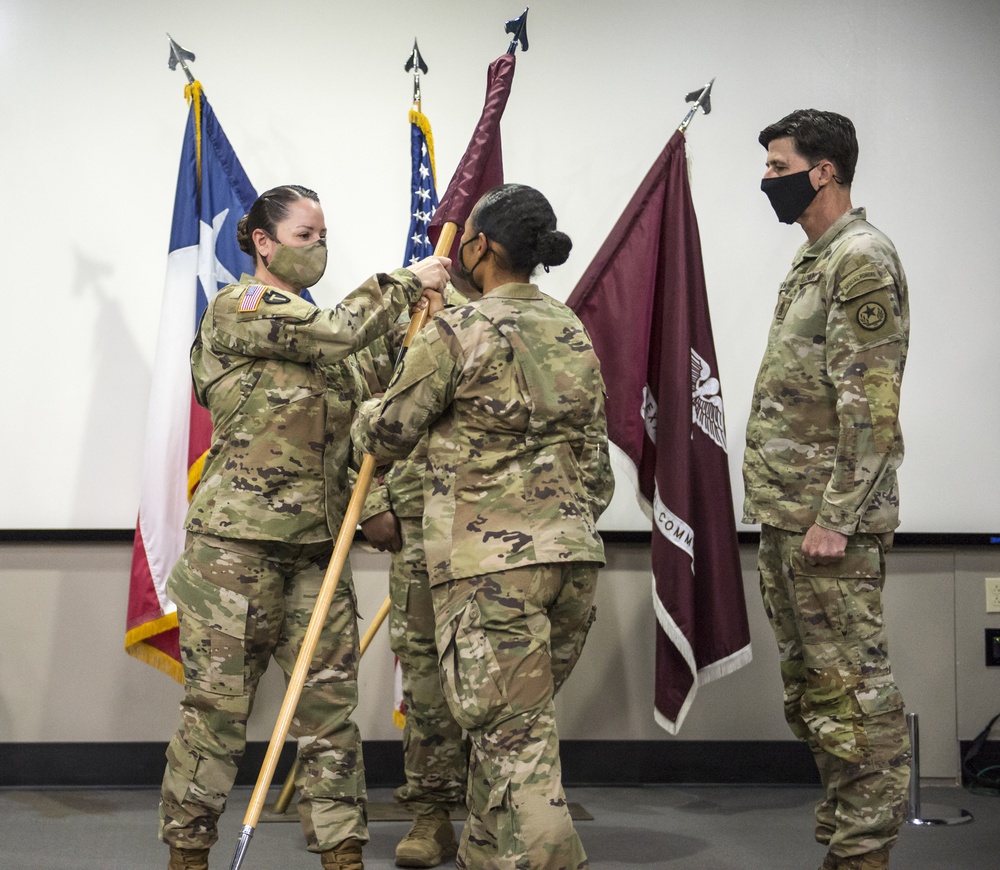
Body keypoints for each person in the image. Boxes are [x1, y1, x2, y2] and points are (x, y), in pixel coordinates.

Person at [157, 183, 450, 870]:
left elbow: (377, 409)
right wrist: (407, 281)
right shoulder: (242, 307)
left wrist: (434, 309)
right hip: (235, 554)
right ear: (262, 242)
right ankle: (189, 853)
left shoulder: (333, 347)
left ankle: (343, 853)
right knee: (215, 715)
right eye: (304, 237)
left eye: (323, 238)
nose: (319, 249)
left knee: (328, 717)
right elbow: (342, 328)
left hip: (317, 554)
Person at [353, 183, 614, 870]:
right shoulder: (570, 327)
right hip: (573, 559)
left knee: (517, 748)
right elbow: (597, 464)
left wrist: (363, 414)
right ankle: (477, 853)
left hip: (489, 567)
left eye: (466, 234)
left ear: (481, 248)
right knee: (511, 733)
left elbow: (389, 429)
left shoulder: (457, 329)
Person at [744, 110, 911, 870]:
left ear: (824, 172)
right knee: (815, 695)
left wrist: (837, 520)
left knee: (854, 694)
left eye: (780, 167)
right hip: (789, 519)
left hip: (825, 530)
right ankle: (845, 838)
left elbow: (872, 410)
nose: (767, 180)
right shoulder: (816, 259)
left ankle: (865, 851)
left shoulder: (861, 260)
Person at [358, 288, 476, 869]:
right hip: (418, 528)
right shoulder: (410, 324)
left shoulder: (527, 323)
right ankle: (431, 816)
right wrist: (371, 502)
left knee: (497, 677)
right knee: (425, 676)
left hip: (494, 534)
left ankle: (492, 814)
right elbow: (361, 411)